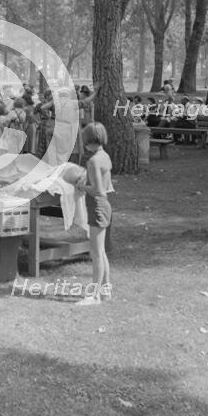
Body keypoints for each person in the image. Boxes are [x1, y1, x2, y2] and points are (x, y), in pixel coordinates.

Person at [75, 122, 114, 305]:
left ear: (88, 141)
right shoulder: (105, 156)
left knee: (96, 253)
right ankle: (106, 290)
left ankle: (94, 295)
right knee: (102, 252)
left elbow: (97, 189)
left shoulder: (92, 161)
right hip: (105, 206)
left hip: (97, 206)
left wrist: (80, 185)